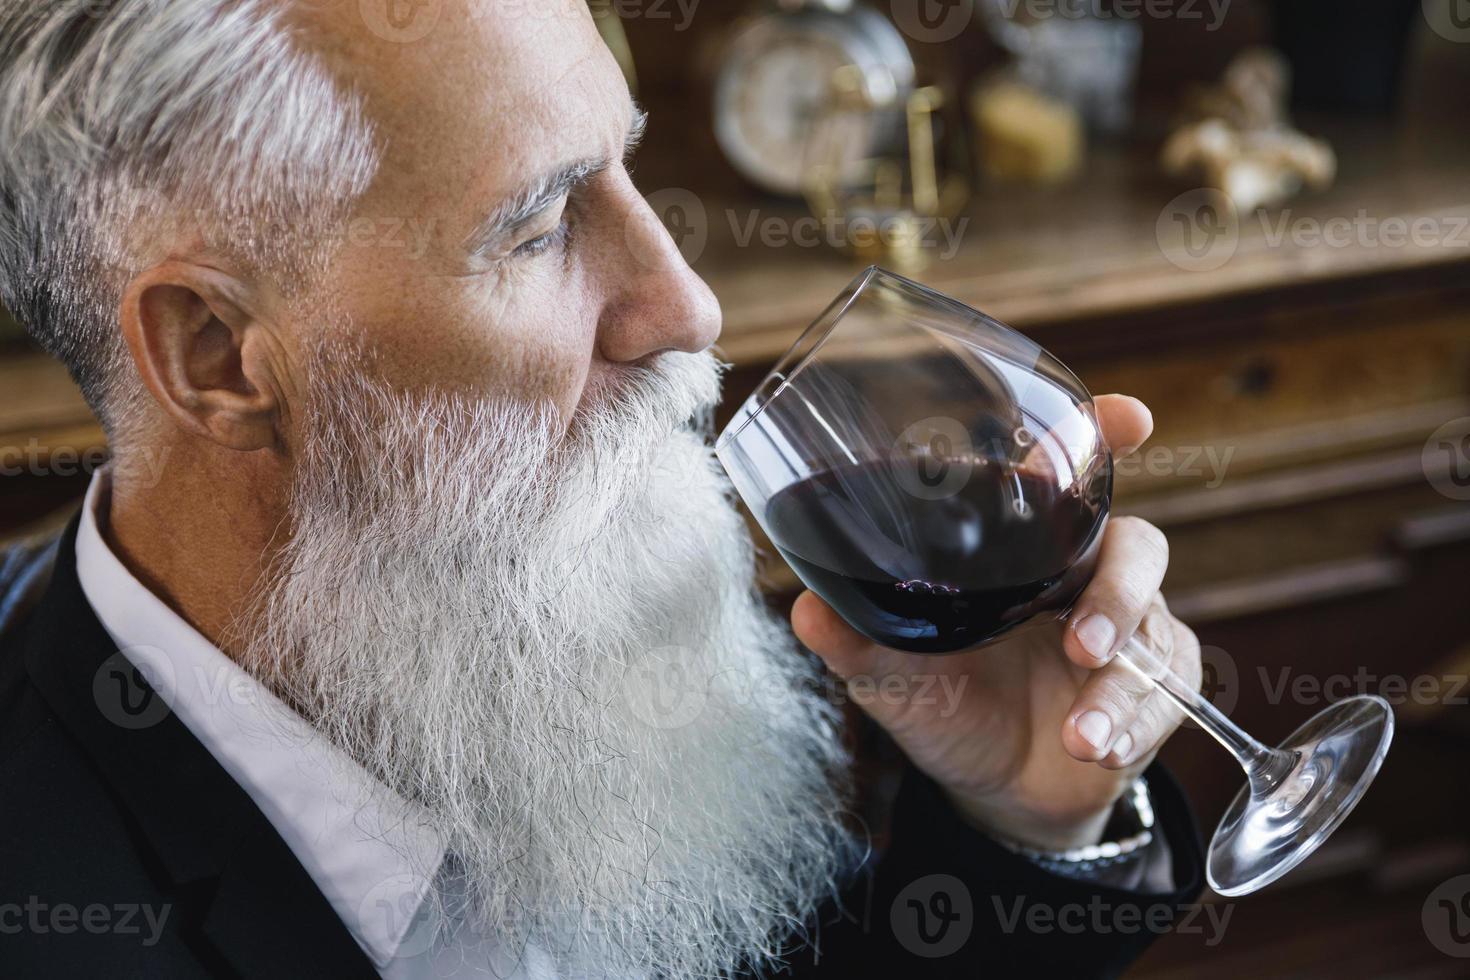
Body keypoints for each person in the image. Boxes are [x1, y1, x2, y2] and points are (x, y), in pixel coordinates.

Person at [0, 2, 1204, 977]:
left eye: (626, 169)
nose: (686, 306)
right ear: (216, 354)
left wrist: (1026, 821)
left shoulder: (557, 582)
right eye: (534, 229)